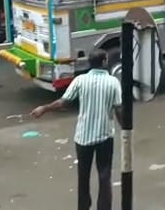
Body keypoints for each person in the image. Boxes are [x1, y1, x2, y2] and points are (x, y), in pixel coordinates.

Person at [31, 49, 123, 210]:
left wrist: (44, 108)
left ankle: (83, 207)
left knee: (83, 175)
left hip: (83, 138)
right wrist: (125, 129)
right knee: (104, 174)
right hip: (104, 137)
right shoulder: (113, 82)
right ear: (104, 62)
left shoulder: (80, 80)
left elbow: (63, 102)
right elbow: (118, 109)